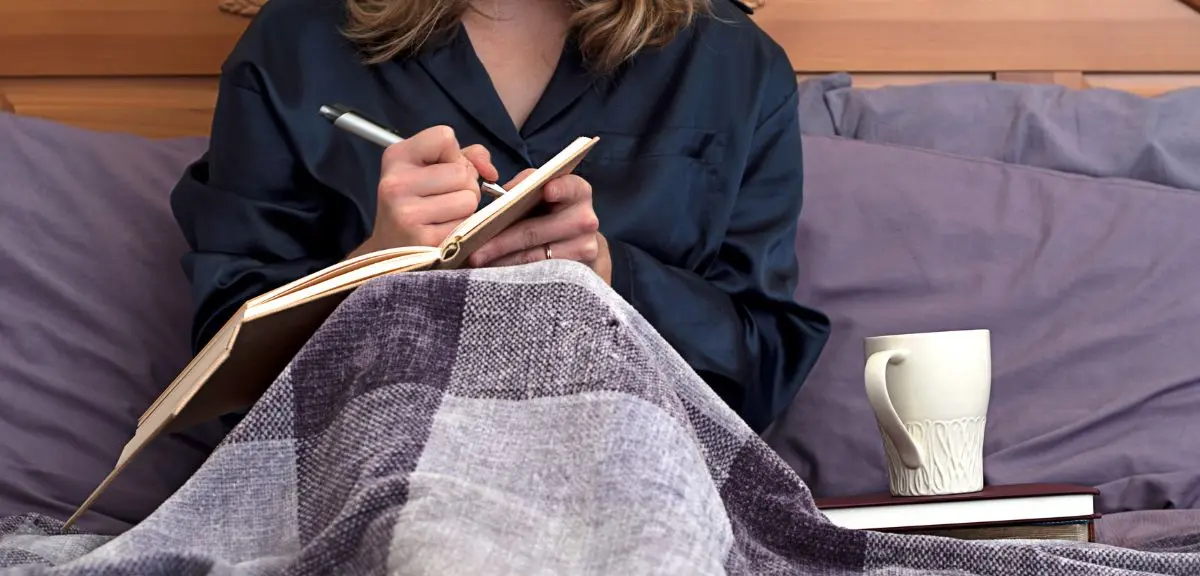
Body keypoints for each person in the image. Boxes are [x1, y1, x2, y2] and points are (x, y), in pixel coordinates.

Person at [171, 0, 830, 434]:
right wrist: (372, 269)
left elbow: (762, 375)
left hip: (639, 477)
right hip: (381, 474)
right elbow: (220, 385)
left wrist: (610, 274)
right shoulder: (298, 43)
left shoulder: (732, 63)